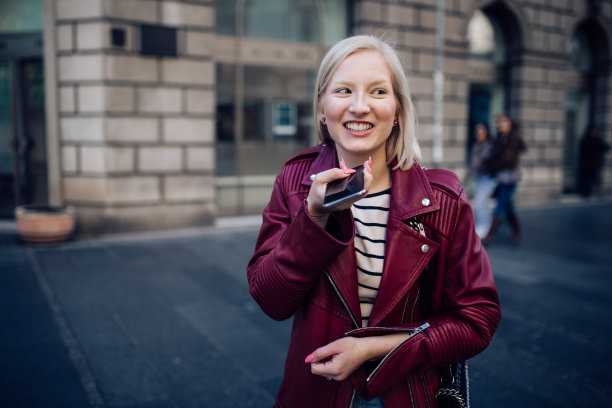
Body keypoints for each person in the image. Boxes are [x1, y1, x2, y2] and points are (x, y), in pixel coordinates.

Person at [247, 35, 501, 408]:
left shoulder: (443, 199)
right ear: (322, 107)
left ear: (397, 109)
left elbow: (477, 320)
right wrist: (314, 218)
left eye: (378, 92)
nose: (360, 106)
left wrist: (372, 348)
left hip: (412, 396)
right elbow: (271, 300)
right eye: (344, 90)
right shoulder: (294, 182)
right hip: (314, 394)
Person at [481, 113, 527, 246]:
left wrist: (494, 162)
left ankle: (489, 235)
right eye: (500, 122)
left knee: (500, 205)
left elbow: (508, 160)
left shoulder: (514, 139)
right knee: (508, 206)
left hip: (510, 178)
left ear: (510, 124)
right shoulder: (498, 138)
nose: (501, 125)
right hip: (500, 177)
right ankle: (517, 231)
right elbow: (492, 157)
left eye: (504, 122)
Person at [465, 123, 496, 238]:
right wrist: (467, 178)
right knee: (481, 202)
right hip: (478, 177)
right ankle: (484, 224)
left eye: (482, 132)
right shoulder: (476, 146)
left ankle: (485, 226)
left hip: (488, 177)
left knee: (480, 201)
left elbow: (489, 163)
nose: (480, 135)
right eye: (478, 132)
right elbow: (472, 165)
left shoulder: (490, 147)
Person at [576, 126, 610, 198]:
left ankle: (590, 192)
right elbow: (589, 149)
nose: (594, 133)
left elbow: (606, 147)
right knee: (586, 179)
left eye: (595, 132)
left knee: (592, 179)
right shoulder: (586, 140)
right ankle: (585, 192)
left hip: (595, 164)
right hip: (586, 164)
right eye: (592, 132)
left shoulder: (597, 140)